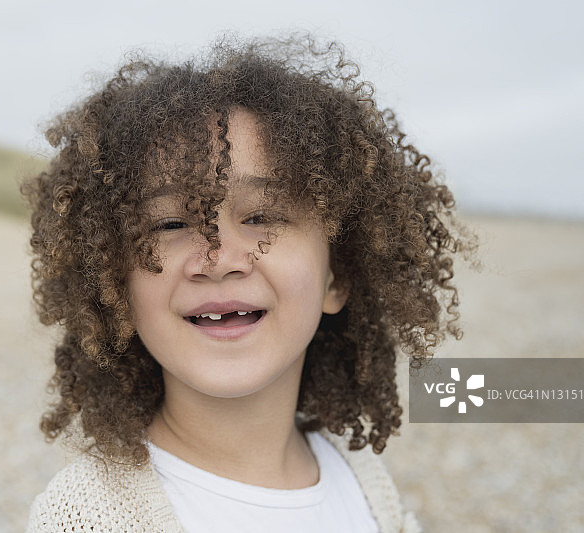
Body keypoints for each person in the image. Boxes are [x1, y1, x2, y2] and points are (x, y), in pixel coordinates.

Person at [23, 35, 470, 533]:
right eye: (170, 224)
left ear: (338, 276)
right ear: (113, 285)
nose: (216, 260)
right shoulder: (89, 517)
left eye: (261, 216)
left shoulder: (363, 481)